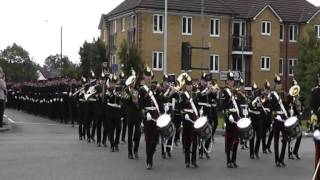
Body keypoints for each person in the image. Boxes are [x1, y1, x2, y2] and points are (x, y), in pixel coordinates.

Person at [221, 71, 240, 168]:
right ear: (227, 81)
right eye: (230, 80)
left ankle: (234, 160)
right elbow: (223, 107)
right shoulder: (225, 92)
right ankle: (228, 161)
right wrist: (228, 115)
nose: (231, 82)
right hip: (229, 118)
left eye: (232, 80)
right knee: (229, 140)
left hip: (236, 117)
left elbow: (239, 106)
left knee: (236, 140)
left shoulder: (236, 91)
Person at [180, 73, 199, 168]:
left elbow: (197, 108)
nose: (190, 86)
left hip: (194, 120)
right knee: (187, 141)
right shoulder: (183, 96)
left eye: (191, 85)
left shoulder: (195, 96)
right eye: (188, 85)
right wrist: (184, 114)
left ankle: (194, 160)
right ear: (185, 86)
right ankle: (187, 161)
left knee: (195, 141)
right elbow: (179, 108)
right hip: (187, 120)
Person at [269, 74, 288, 167]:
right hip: (277, 119)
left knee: (285, 139)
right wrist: (275, 116)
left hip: (284, 119)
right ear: (275, 85)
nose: (279, 86)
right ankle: (277, 160)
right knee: (276, 140)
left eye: (280, 84)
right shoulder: (272, 95)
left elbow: (287, 107)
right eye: (277, 84)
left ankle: (282, 159)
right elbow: (271, 109)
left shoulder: (284, 94)